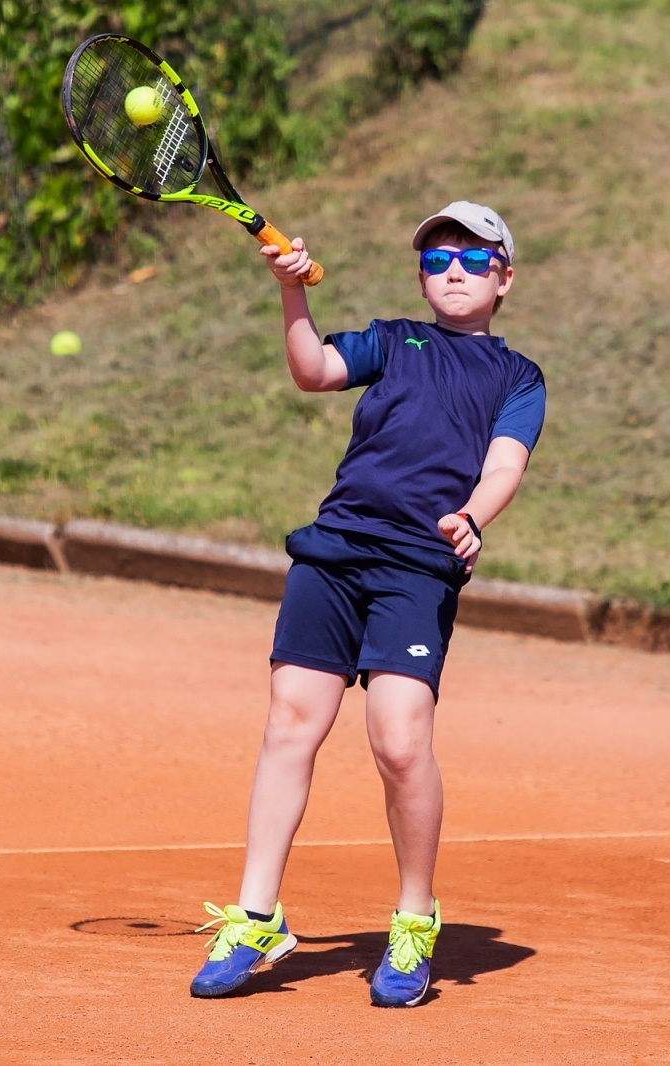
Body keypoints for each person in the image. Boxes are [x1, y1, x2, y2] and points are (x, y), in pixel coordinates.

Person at [188, 201, 547, 1008]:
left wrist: (474, 518)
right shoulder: (394, 339)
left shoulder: (517, 377)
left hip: (417, 568)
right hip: (336, 552)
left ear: (505, 280)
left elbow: (505, 463)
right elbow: (313, 369)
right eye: (436, 259)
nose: (453, 271)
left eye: (475, 259)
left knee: (399, 741)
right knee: (290, 722)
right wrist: (292, 293)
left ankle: (414, 923)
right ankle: (255, 919)